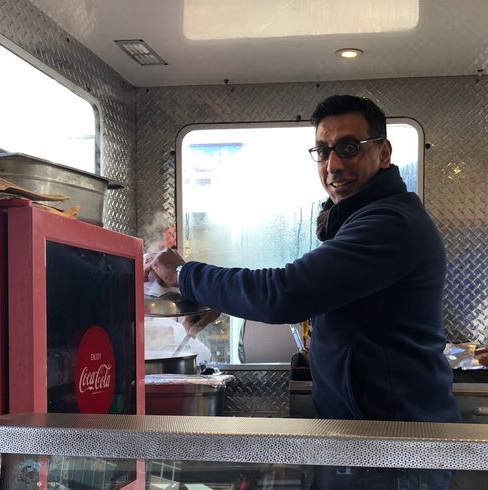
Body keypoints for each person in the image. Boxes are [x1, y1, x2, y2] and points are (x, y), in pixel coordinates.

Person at [147, 94, 459, 424]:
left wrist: (183, 274)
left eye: (349, 147)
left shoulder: (389, 225)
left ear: (383, 153)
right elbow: (311, 291)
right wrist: (213, 295)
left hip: (394, 444)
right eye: (323, 152)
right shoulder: (357, 221)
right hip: (370, 432)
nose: (333, 165)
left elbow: (285, 293)